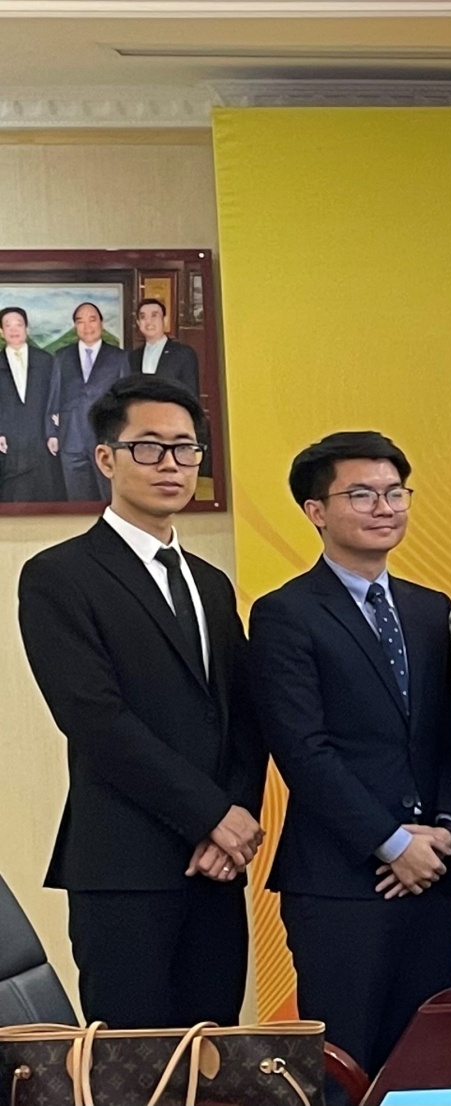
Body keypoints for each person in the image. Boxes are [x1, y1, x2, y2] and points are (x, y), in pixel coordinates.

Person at [16, 375, 264, 1027]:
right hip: (123, 868)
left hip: (215, 868)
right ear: (106, 458)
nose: (171, 464)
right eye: (149, 447)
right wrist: (212, 814)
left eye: (186, 448)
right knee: (133, 1061)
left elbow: (243, 717)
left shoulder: (211, 584)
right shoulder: (58, 576)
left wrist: (237, 819)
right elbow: (95, 720)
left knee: (213, 1057)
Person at [251, 432, 451, 1074]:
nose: (384, 507)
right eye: (362, 495)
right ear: (316, 511)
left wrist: (443, 833)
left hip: (432, 877)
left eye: (395, 493)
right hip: (340, 883)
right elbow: (304, 751)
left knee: (431, 1064)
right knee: (346, 1068)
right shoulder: (285, 613)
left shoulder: (432, 610)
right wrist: (391, 843)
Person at [50, 302, 130, 502]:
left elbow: (125, 399)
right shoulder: (62, 357)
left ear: (101, 323)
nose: (87, 326)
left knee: (109, 497)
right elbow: (54, 396)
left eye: (92, 320)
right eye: (80, 321)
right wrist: (51, 433)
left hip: (105, 437)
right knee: (76, 501)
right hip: (71, 438)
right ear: (75, 326)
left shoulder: (119, 357)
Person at [1, 305, 63, 502]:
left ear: (27, 329)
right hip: (7, 444)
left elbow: (55, 399)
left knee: (44, 497)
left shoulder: (46, 360)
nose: (14, 329)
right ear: (1, 331)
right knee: (12, 498)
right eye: (8, 325)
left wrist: (53, 433)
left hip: (41, 440)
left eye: (19, 324)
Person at [127, 297, 200, 397]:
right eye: (143, 317)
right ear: (138, 323)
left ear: (165, 320)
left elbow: (191, 396)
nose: (148, 321)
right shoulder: (133, 357)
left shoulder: (183, 354)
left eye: (154, 315)